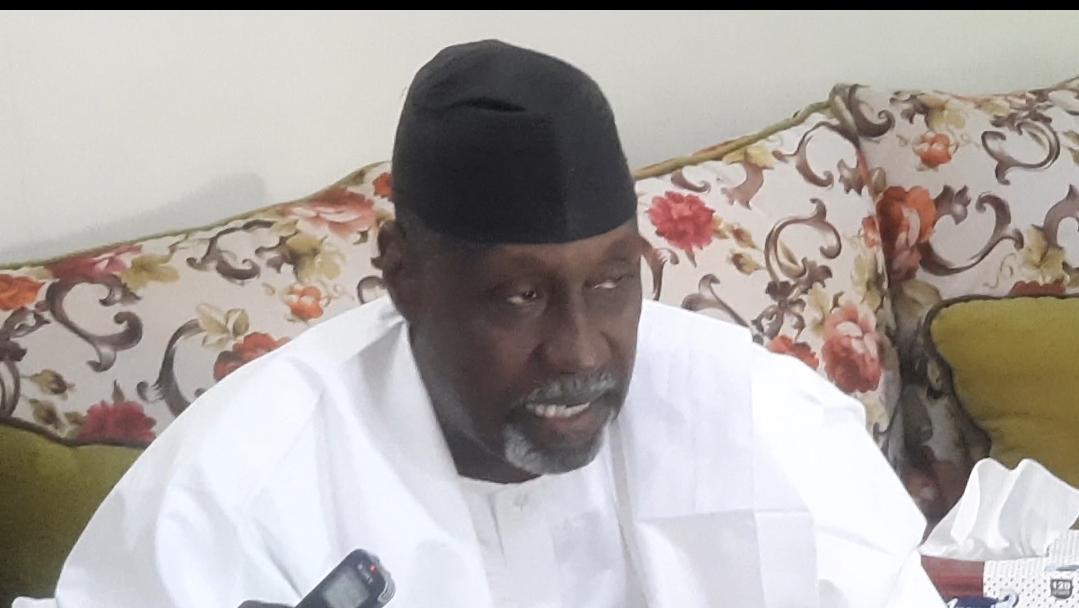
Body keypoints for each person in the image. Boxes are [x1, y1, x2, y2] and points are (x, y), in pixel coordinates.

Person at [19, 40, 943, 608]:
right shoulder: (240, 484)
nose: (579, 351)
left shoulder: (750, 409)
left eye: (611, 282)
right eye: (518, 297)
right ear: (403, 275)